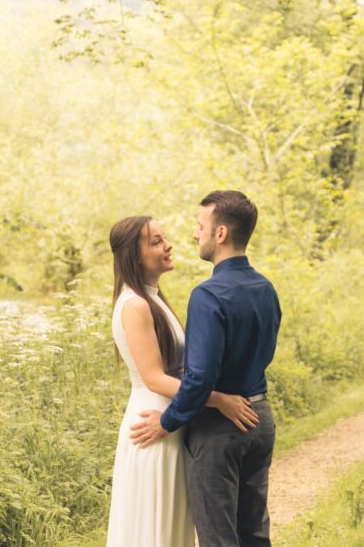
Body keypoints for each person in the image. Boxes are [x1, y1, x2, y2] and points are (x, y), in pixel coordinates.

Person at [130, 191, 282, 547]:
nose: (195, 235)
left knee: (218, 538)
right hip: (261, 416)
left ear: (221, 234)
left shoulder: (208, 295)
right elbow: (265, 352)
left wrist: (168, 421)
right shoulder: (266, 289)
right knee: (255, 533)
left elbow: (199, 377)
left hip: (219, 431)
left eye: (201, 227)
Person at [106, 214, 261, 547]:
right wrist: (220, 399)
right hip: (154, 424)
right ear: (134, 255)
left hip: (174, 419)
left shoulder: (153, 298)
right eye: (157, 241)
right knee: (156, 528)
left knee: (173, 526)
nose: (169, 244)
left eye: (164, 238)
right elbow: (155, 378)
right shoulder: (134, 305)